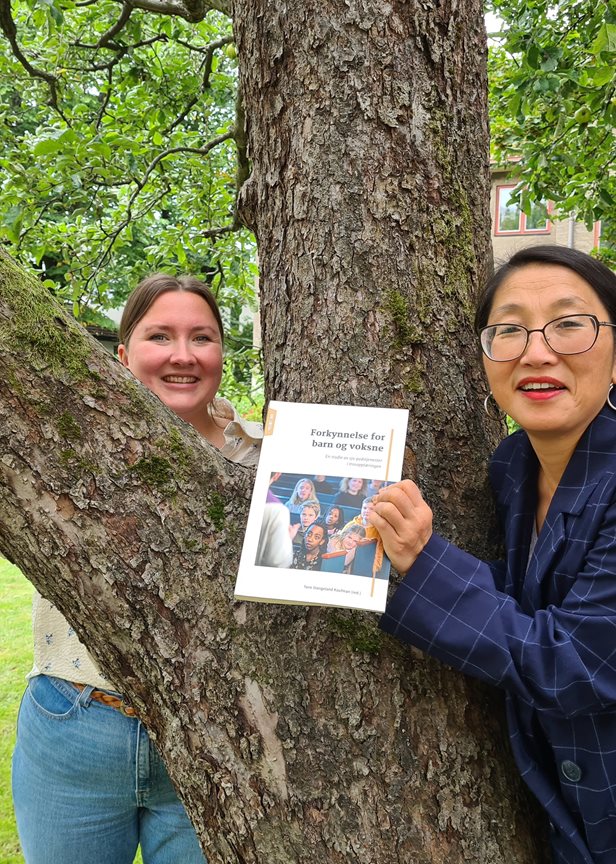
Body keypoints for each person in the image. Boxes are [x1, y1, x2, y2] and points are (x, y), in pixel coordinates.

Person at [372, 246, 616, 864]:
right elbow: (519, 604)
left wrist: (424, 563)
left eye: (569, 324)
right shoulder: (512, 470)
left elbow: (577, 663)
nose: (537, 352)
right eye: (508, 330)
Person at [12, 273, 263, 864]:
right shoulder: (67, 444)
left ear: (222, 353)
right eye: (160, 336)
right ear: (122, 355)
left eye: (201, 337)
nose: (182, 355)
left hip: (211, 738)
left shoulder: (262, 462)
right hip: (75, 731)